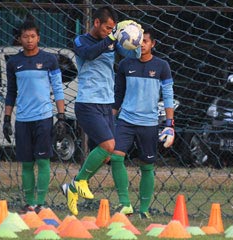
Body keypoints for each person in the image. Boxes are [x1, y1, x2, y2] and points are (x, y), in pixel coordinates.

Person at [60, 6, 142, 216]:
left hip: (106, 105)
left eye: (112, 29)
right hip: (88, 104)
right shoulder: (81, 41)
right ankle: (80, 182)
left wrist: (136, 39)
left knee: (108, 155)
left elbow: (128, 52)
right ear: (96, 23)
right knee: (109, 146)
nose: (109, 31)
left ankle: (74, 186)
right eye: (107, 28)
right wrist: (110, 39)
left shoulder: (112, 42)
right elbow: (88, 54)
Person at [3, 20, 67, 214]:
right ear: (20, 39)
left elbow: (57, 88)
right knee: (27, 163)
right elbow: (11, 92)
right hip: (23, 119)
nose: (29, 40)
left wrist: (61, 116)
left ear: (38, 38)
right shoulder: (14, 62)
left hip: (44, 118)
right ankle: (29, 203)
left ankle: (41, 203)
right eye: (25, 37)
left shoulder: (49, 60)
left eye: (32, 36)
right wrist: (7, 119)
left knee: (43, 161)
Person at [111, 27, 175, 219]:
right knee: (115, 157)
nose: (142, 44)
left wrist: (170, 124)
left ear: (153, 44)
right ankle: (125, 204)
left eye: (146, 41)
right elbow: (118, 95)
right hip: (126, 120)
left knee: (147, 166)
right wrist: (109, 120)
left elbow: (169, 95)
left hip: (149, 123)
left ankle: (144, 209)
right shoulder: (125, 65)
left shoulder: (162, 66)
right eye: (139, 41)